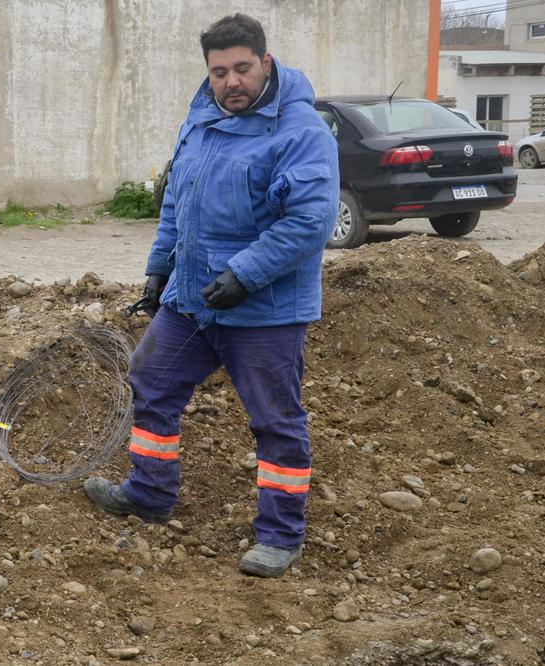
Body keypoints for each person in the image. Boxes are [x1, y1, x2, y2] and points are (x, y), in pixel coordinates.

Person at [84, 14, 339, 578]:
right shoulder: (201, 120)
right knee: (151, 381)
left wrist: (245, 275)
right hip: (193, 300)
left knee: (275, 419)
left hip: (266, 309)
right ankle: (149, 494)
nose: (232, 82)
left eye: (242, 68)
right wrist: (157, 274)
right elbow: (179, 202)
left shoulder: (301, 131)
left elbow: (310, 221)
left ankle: (280, 535)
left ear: (265, 63)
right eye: (219, 71)